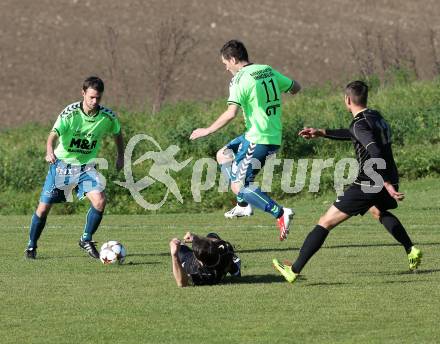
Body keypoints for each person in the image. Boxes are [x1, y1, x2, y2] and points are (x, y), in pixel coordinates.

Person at [273, 80, 422, 282]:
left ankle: (294, 270)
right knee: (377, 210)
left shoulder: (359, 124)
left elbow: (374, 150)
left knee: (325, 222)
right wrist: (322, 132)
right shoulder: (375, 117)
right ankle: (411, 249)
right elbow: (355, 134)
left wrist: (385, 182)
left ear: (347, 100)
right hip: (388, 176)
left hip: (370, 181)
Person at [190, 40, 301, 241]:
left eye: (225, 63)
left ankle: (280, 212)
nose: (226, 68)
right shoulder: (266, 70)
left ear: (233, 59)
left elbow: (231, 113)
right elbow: (295, 87)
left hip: (258, 138)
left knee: (239, 185)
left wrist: (208, 130)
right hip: (267, 134)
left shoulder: (240, 79)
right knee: (223, 155)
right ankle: (243, 205)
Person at [24, 76, 124, 259]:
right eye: (91, 97)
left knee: (100, 201)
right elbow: (53, 135)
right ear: (83, 93)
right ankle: (31, 246)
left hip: (86, 168)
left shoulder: (107, 117)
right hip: (61, 165)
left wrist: (121, 156)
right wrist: (49, 151)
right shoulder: (70, 114)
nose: (95, 101)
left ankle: (86, 239)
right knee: (43, 208)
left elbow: (118, 133)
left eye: (98, 98)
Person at [169, 232, 241, 287]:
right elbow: (216, 241)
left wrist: (174, 255)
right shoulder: (225, 250)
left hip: (186, 258)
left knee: (176, 242)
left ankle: (235, 270)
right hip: (224, 265)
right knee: (212, 235)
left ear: (199, 261)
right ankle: (235, 271)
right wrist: (194, 238)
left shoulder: (198, 273)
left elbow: (181, 283)